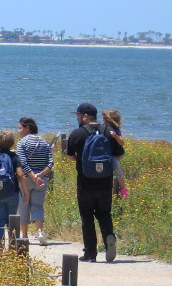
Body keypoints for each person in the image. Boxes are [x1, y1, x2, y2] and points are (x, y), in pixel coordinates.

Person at [66, 103, 124, 262]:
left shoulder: (77, 133)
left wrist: (82, 161)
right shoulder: (108, 131)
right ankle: (109, 237)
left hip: (85, 182)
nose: (77, 118)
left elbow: (70, 155)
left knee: (87, 217)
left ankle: (90, 252)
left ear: (85, 116)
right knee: (104, 214)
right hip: (105, 182)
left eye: (78, 115)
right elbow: (119, 154)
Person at [0, 130, 29, 251]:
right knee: (12, 223)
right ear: (12, 143)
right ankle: (13, 252)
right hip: (12, 193)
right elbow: (20, 175)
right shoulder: (14, 157)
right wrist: (26, 192)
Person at [16, 117, 53, 245]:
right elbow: (50, 162)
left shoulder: (22, 143)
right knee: (38, 206)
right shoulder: (44, 141)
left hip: (26, 179)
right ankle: (39, 232)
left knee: (23, 205)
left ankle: (25, 235)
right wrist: (40, 175)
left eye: (20, 128)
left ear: (27, 128)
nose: (18, 131)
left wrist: (33, 176)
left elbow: (22, 162)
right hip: (42, 180)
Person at [102, 109, 128, 198]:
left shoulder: (115, 130)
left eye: (104, 118)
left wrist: (115, 136)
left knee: (117, 170)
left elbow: (122, 142)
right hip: (103, 153)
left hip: (113, 154)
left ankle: (123, 188)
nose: (103, 120)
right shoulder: (101, 128)